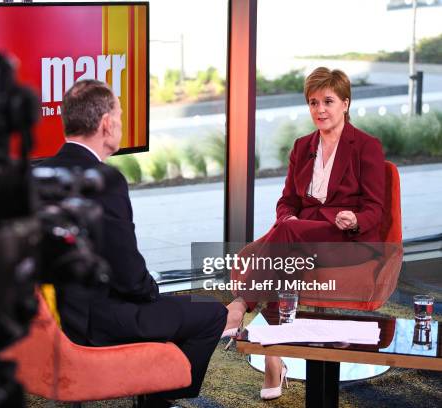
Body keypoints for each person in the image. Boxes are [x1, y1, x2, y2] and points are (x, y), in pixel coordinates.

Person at [42, 79, 243, 408]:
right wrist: (151, 293)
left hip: (64, 317)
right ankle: (158, 398)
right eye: (119, 116)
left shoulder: (42, 173)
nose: (120, 124)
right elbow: (129, 275)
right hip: (102, 321)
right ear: (107, 124)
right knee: (210, 315)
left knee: (182, 305)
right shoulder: (104, 181)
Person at [228, 67, 385, 400]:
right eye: (313, 102)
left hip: (345, 240)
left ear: (345, 102)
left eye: (328, 101)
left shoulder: (366, 147)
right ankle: (274, 356)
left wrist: (354, 219)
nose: (320, 110)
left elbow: (376, 209)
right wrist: (288, 220)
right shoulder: (302, 147)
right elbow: (287, 201)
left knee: (263, 251)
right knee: (274, 246)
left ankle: (243, 304)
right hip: (299, 237)